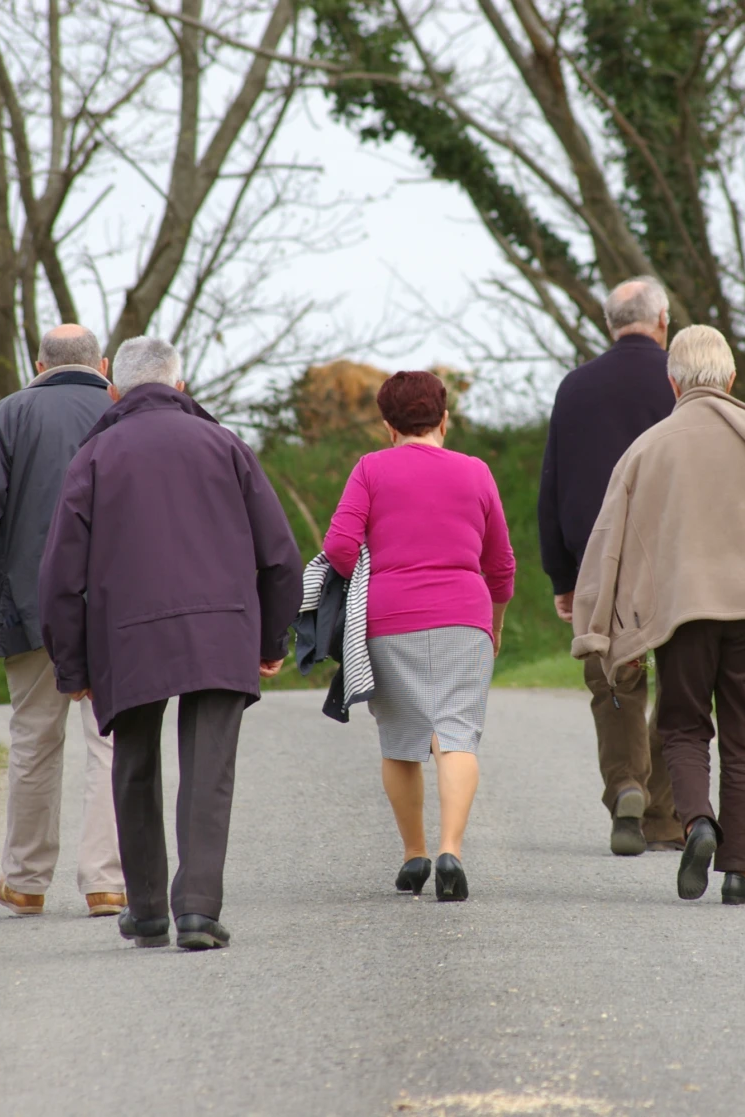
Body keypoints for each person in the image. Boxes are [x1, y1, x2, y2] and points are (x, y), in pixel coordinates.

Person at [38, 337, 303, 950]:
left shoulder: (95, 455)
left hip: (128, 637)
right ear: (179, 387)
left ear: (114, 391)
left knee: (133, 764)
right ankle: (199, 911)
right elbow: (281, 556)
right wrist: (270, 639)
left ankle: (149, 909)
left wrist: (72, 665)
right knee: (209, 770)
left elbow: (58, 576)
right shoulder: (225, 445)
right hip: (222, 628)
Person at [571, 326, 745, 904]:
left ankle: (696, 822)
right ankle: (740, 872)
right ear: (731, 378)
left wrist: (601, 629)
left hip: (682, 612)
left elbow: (609, 544)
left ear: (673, 383)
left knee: (683, 726)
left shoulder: (646, 448)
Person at [0, 324, 125, 920]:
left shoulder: (8, 415)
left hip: (30, 603)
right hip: (117, 608)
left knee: (35, 740)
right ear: (104, 365)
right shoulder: (125, 414)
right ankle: (107, 881)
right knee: (112, 742)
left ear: (37, 365)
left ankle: (26, 880)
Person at [323, 371, 515, 903]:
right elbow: (501, 565)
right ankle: (452, 850)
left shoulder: (370, 469)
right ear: (444, 419)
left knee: (401, 742)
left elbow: (339, 545)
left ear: (389, 426)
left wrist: (370, 580)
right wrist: (495, 624)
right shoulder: (476, 472)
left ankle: (415, 855)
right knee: (456, 737)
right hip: (465, 619)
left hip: (389, 620)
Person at [538, 276, 682, 857]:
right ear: (663, 320)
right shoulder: (681, 381)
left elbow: (553, 484)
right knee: (682, 681)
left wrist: (562, 576)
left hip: (600, 561)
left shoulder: (575, 386)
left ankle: (626, 785)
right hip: (674, 557)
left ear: (609, 324)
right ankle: (664, 816)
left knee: (614, 679)